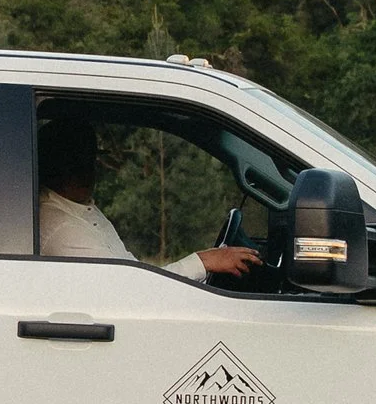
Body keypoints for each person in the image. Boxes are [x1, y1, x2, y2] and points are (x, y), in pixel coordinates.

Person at [35, 110, 258, 283]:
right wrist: (204, 261)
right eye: (77, 162)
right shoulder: (62, 226)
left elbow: (132, 273)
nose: (88, 171)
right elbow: (136, 288)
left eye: (89, 160)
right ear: (51, 164)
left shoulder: (75, 207)